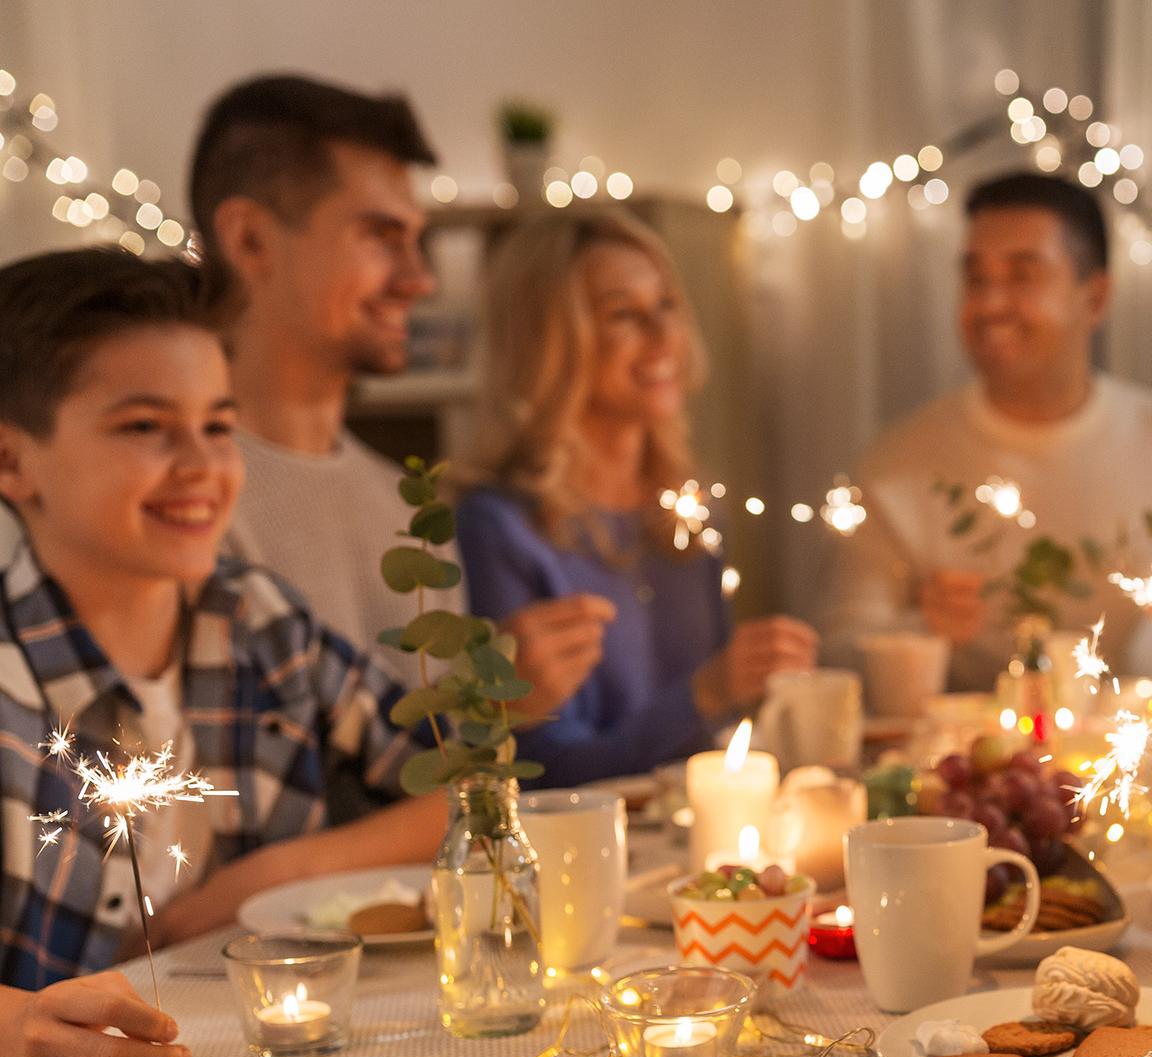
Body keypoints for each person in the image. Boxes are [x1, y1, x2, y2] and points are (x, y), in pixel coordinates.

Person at [0, 248, 447, 1057]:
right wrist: (9, 1034)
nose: (202, 466)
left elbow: (457, 789)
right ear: (13, 464)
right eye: (144, 427)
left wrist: (258, 884)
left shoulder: (254, 621)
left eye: (216, 425)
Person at [188, 74, 612, 728]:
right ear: (249, 241)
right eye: (381, 236)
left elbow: (429, 781)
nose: (420, 280)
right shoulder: (185, 503)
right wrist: (488, 703)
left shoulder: (404, 507)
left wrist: (487, 705)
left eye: (415, 239)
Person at [455, 210, 818, 786]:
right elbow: (543, 775)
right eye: (624, 314)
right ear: (549, 341)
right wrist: (710, 690)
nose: (663, 335)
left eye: (667, 305)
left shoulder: (690, 512)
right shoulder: (499, 528)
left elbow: (711, 741)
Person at [825, 172, 1152, 690]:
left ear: (1095, 298)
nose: (991, 304)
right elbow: (839, 660)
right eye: (976, 279)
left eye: (1023, 275)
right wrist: (921, 630)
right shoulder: (900, 462)